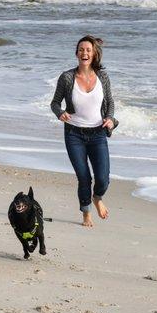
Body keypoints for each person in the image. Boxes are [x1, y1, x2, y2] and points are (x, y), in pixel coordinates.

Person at [50, 35, 118, 227]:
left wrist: (110, 119)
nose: (84, 53)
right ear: (76, 53)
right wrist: (60, 113)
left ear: (94, 53)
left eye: (88, 50)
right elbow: (55, 103)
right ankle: (86, 212)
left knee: (103, 178)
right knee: (84, 177)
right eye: (81, 49)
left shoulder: (102, 76)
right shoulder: (67, 77)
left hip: (98, 134)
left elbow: (110, 102)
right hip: (74, 134)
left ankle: (97, 197)